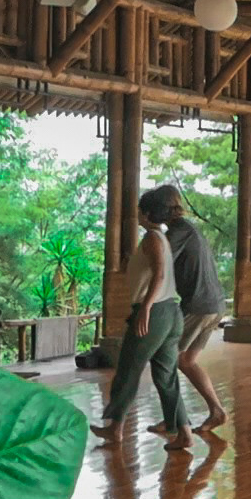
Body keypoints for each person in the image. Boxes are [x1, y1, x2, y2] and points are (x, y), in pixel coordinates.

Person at [92, 189, 192, 451]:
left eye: (139, 210)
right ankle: (184, 432)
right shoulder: (161, 238)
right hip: (171, 312)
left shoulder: (151, 238)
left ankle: (115, 429)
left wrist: (145, 308)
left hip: (156, 313)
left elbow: (158, 276)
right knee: (166, 376)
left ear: (147, 214)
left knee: (128, 369)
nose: (136, 214)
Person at [150, 185, 228, 434]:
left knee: (165, 358)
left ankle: (174, 421)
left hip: (199, 304)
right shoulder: (188, 229)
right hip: (214, 304)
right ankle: (216, 411)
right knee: (185, 359)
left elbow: (159, 259)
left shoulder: (180, 231)